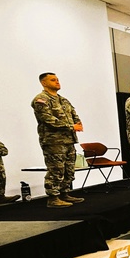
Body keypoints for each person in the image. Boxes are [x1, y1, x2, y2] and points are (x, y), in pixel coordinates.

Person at [32, 73, 85, 208]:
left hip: (69, 140)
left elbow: (74, 114)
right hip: (53, 141)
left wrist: (78, 123)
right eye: (53, 80)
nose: (57, 82)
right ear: (43, 83)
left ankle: (64, 193)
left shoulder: (63, 100)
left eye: (57, 79)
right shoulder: (41, 100)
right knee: (56, 169)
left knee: (69, 169)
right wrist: (71, 126)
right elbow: (47, 119)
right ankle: (53, 197)